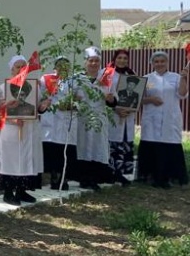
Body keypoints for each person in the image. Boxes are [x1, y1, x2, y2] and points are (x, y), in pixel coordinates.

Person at [136, 51, 190, 189]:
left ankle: (170, 177)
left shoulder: (176, 77)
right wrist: (150, 99)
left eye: (162, 61)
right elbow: (138, 99)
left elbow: (182, 94)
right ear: (152, 63)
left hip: (170, 118)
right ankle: (149, 176)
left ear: (167, 62)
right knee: (151, 144)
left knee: (170, 144)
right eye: (156, 61)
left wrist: (184, 78)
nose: (159, 64)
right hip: (151, 118)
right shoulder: (147, 78)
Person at [0, 55, 46, 205]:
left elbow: (38, 108)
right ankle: (8, 193)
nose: (20, 69)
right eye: (17, 67)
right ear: (12, 69)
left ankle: (22, 191)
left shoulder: (34, 87)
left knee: (27, 161)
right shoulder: (4, 87)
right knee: (11, 161)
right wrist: (12, 119)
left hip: (30, 129)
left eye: (23, 67)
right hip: (11, 130)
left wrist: (43, 106)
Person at [73, 46, 113, 190]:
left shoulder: (106, 78)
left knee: (97, 146)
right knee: (83, 147)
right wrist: (74, 99)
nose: (94, 63)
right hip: (82, 118)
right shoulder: (77, 79)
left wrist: (110, 98)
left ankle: (95, 179)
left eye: (96, 61)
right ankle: (83, 179)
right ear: (85, 62)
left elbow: (113, 101)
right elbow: (70, 98)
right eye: (91, 61)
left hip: (99, 118)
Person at [42, 56, 79, 190]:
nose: (62, 68)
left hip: (68, 120)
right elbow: (40, 98)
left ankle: (64, 179)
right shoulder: (46, 79)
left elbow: (80, 100)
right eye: (60, 65)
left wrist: (71, 105)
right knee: (53, 151)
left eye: (65, 65)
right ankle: (54, 177)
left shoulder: (75, 81)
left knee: (67, 152)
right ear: (55, 67)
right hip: (51, 121)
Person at [108, 50, 139, 185]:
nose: (122, 60)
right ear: (114, 59)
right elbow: (103, 94)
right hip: (112, 114)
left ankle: (121, 174)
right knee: (112, 144)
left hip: (127, 116)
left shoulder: (131, 74)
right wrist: (115, 108)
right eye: (119, 57)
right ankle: (110, 173)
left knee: (124, 143)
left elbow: (137, 94)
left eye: (125, 58)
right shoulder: (107, 73)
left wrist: (131, 107)